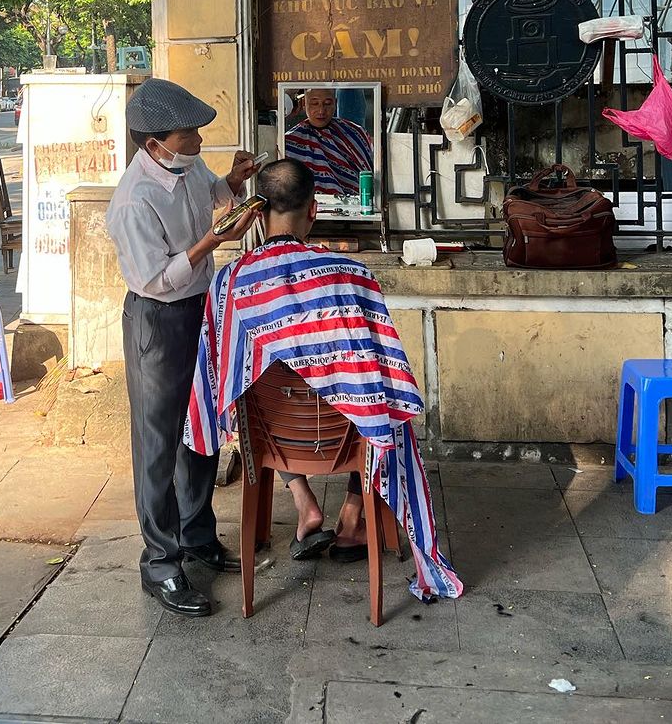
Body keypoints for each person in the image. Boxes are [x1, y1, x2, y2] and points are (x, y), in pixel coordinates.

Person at [185, 158, 463, 604]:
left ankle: (304, 501)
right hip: (347, 437)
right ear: (314, 210)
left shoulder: (229, 283)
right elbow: (384, 376)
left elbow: (219, 378)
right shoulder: (352, 276)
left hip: (275, 437)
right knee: (377, 401)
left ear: (256, 212)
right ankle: (353, 517)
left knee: (267, 392)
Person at [105, 78, 262, 618]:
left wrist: (234, 183)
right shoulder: (133, 201)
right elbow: (158, 278)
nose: (197, 139)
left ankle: (197, 535)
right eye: (187, 133)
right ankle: (161, 563)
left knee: (203, 424)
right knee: (157, 439)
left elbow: (214, 196)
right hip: (158, 318)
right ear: (154, 144)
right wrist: (208, 244)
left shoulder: (187, 166)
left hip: (202, 310)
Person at [283, 87, 372, 197]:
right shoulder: (290, 140)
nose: (321, 111)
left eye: (328, 103)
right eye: (315, 103)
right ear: (304, 103)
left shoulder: (355, 133)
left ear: (335, 103)